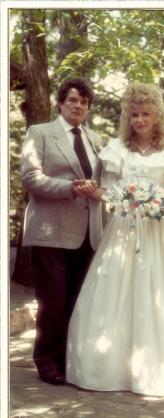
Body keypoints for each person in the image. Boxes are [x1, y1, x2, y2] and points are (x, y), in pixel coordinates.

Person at [66, 81, 164, 396]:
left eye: (145, 114)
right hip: (123, 231)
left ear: (157, 115)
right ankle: (112, 369)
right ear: (127, 117)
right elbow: (111, 193)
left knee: (160, 293)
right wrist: (96, 192)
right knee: (116, 291)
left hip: (159, 233)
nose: (140, 120)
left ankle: (162, 369)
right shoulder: (117, 150)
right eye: (134, 115)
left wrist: (147, 200)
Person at [21, 78, 103, 385]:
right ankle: (46, 360)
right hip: (50, 230)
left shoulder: (95, 139)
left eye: (83, 102)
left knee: (76, 301)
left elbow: (101, 181)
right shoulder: (40, 133)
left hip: (86, 233)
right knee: (53, 300)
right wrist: (70, 188)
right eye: (72, 100)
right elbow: (31, 178)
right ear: (60, 103)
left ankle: (67, 359)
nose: (78, 106)